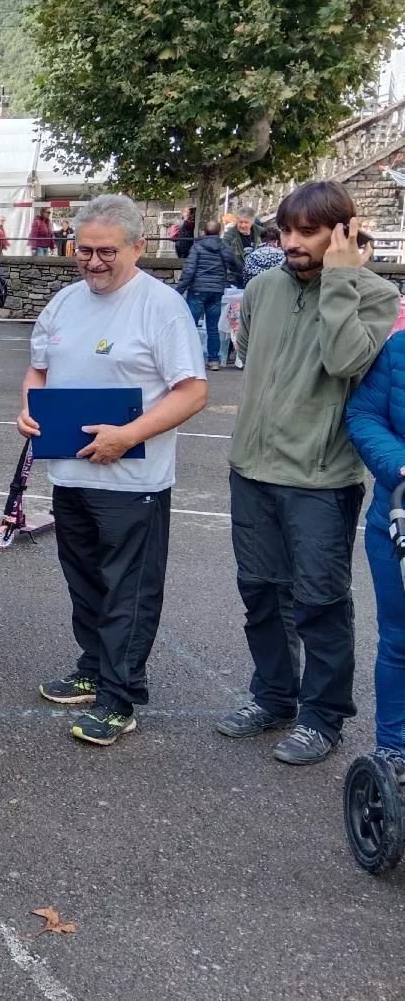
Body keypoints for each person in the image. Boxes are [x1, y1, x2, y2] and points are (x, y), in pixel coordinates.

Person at [218, 180, 398, 764]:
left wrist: (342, 279)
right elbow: (245, 346)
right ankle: (273, 697)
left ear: (343, 233)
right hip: (251, 467)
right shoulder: (265, 285)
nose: (291, 242)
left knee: (319, 602)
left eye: (308, 232)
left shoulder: (372, 293)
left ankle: (323, 718)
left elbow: (345, 360)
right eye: (286, 230)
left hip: (320, 478)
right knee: (261, 594)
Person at [18, 194, 209, 746]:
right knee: (85, 581)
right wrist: (30, 410)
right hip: (70, 475)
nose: (93, 261)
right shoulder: (63, 304)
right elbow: (37, 372)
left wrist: (128, 436)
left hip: (133, 483)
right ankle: (94, 665)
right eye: (83, 250)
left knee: (129, 588)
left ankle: (120, 696)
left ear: (138, 247)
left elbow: (193, 392)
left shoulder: (160, 306)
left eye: (107, 251)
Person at [347, 329, 405, 780]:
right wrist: (398, 464)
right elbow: (365, 414)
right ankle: (395, 752)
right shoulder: (399, 348)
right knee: (400, 640)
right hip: (398, 518)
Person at [177, 218, 243, 371]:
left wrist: (179, 290)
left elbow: (189, 270)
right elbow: (237, 265)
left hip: (197, 290)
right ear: (219, 232)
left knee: (190, 326)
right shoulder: (224, 248)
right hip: (216, 291)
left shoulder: (197, 247)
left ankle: (189, 359)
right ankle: (214, 360)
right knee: (213, 326)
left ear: (204, 232)